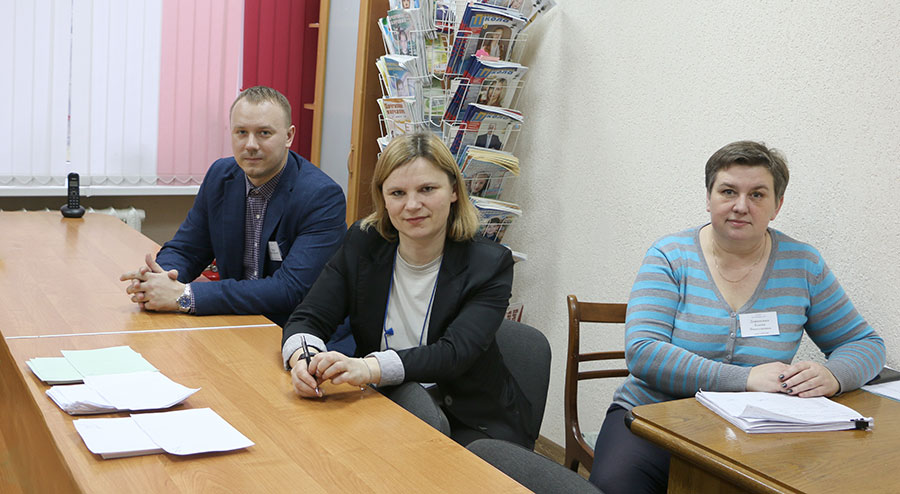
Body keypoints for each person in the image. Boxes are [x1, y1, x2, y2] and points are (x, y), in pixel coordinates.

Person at [589, 141, 886, 494]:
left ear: (777, 206)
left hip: (756, 433)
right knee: (616, 486)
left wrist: (833, 375)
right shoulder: (670, 256)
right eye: (728, 191)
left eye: (757, 194)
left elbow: (865, 343)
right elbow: (644, 352)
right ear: (709, 198)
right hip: (653, 418)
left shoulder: (803, 264)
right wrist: (745, 378)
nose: (741, 206)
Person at [281, 132, 535, 448]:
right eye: (398, 193)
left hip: (472, 424)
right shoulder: (363, 243)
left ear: (454, 191)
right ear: (383, 199)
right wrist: (304, 361)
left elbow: (453, 354)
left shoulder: (489, 264)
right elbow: (308, 318)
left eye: (427, 189)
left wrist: (368, 367)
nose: (412, 205)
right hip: (389, 405)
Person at [120, 86, 353, 353]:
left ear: (289, 136)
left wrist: (184, 296)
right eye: (241, 132)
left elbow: (290, 290)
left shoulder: (321, 196)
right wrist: (160, 278)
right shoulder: (221, 176)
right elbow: (187, 249)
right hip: (236, 324)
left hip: (295, 336)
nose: (250, 145)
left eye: (264, 133)